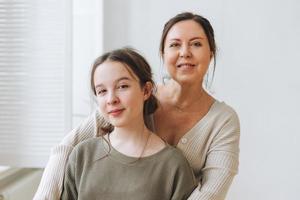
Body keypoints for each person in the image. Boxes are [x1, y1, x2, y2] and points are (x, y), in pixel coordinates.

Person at [34, 12, 240, 200]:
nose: (185, 52)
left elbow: (212, 191)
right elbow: (66, 148)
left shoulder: (223, 120)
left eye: (196, 44)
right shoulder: (129, 99)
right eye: (175, 45)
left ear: (211, 53)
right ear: (163, 53)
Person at [59, 48, 197, 200]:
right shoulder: (82, 156)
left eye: (122, 86)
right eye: (102, 91)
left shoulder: (173, 165)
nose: (111, 99)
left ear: (146, 90)